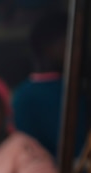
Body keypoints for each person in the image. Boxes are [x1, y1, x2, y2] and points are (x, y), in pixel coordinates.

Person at [12, 10, 88, 160]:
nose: (79, 50)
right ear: (49, 47)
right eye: (70, 42)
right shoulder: (25, 97)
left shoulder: (76, 86)